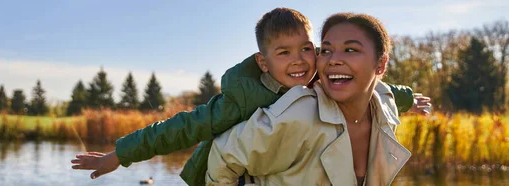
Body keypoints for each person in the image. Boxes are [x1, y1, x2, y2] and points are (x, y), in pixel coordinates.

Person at [71, 8, 429, 185]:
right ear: (263, 61)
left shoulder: (330, 81)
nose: (300, 62)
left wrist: (411, 98)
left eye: (307, 49)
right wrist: (121, 154)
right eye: (283, 53)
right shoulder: (244, 99)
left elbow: (381, 90)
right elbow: (183, 127)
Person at [206, 12, 411, 186]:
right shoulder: (300, 112)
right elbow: (224, 157)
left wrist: (410, 100)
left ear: (381, 65)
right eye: (327, 50)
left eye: (350, 50)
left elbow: (382, 90)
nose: (334, 60)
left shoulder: (385, 108)